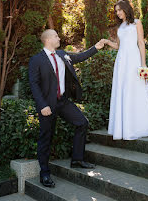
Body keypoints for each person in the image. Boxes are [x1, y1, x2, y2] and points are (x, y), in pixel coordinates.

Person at [29, 29, 104, 188]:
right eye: (56, 36)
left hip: (63, 102)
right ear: (48, 40)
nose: (59, 38)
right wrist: (42, 105)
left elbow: (79, 56)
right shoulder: (37, 60)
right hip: (47, 105)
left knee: (82, 122)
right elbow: (34, 84)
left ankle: (77, 159)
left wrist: (96, 47)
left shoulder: (62, 55)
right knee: (46, 138)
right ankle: (45, 174)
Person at [102, 0, 148, 140]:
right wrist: (106, 42)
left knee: (134, 89)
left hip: (134, 60)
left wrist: (143, 64)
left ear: (126, 9)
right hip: (121, 61)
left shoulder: (137, 22)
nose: (117, 13)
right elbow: (118, 46)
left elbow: (141, 43)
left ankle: (137, 125)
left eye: (119, 10)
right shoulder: (119, 27)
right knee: (122, 89)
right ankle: (123, 126)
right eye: (116, 11)